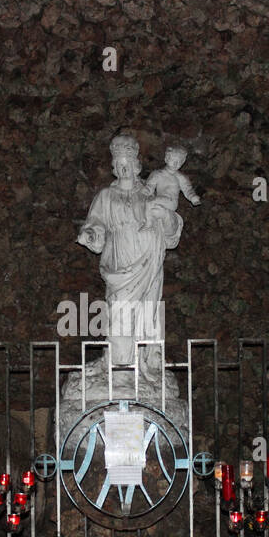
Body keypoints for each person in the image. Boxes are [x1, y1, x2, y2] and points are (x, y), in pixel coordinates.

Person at [77, 135, 184, 367]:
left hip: (150, 258)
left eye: (128, 164)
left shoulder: (150, 195)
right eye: (119, 165)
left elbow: (172, 230)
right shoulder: (105, 196)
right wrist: (91, 235)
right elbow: (95, 224)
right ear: (115, 168)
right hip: (120, 260)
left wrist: (164, 216)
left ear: (136, 166)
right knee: (119, 311)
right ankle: (121, 364)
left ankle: (145, 363)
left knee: (147, 309)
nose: (124, 169)